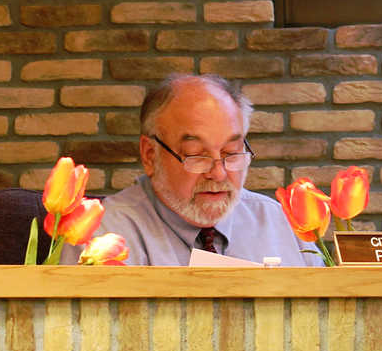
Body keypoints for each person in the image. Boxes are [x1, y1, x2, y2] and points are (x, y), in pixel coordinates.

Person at [61, 73, 321, 266]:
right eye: (197, 156)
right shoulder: (103, 235)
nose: (218, 174)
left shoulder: (282, 224)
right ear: (150, 155)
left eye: (231, 154)